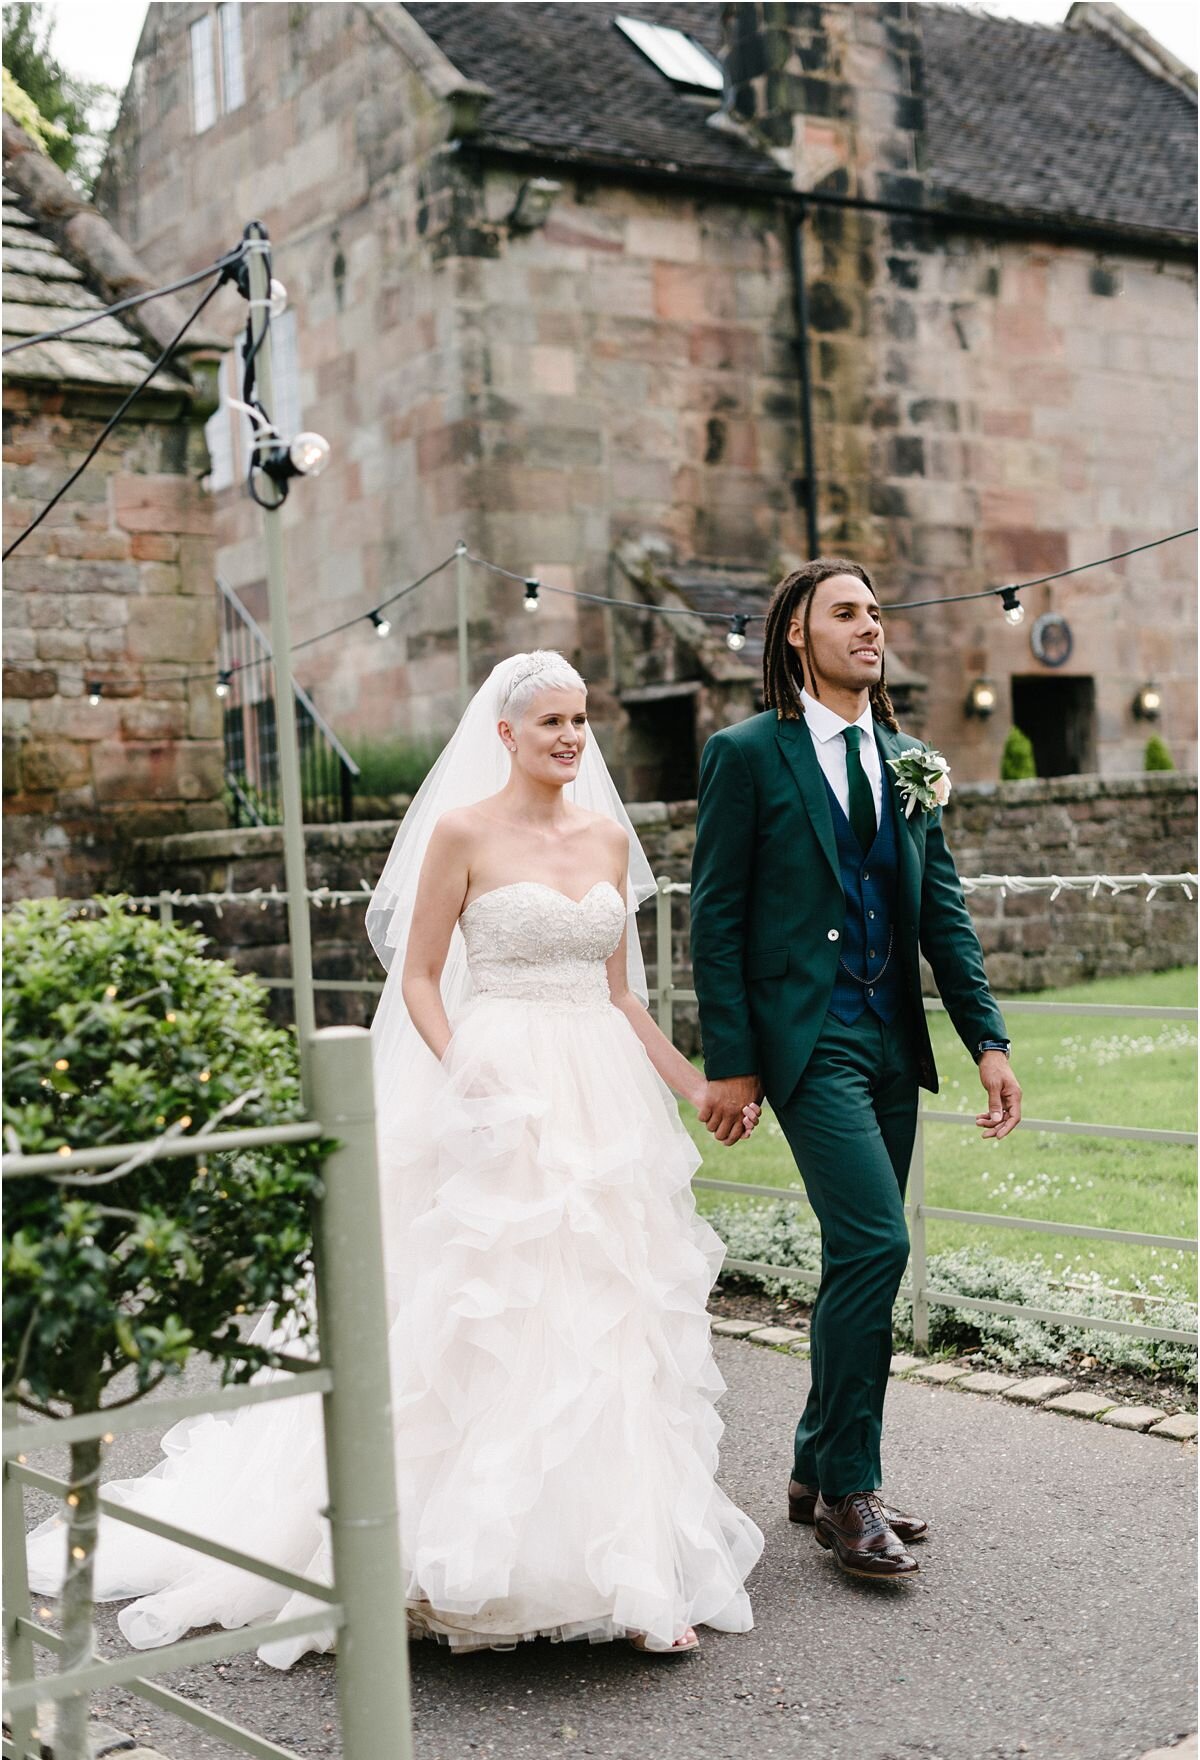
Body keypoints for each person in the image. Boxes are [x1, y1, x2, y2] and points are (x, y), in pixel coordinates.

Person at [27, 650, 763, 1660]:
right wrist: (470, 1076)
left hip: (602, 1097)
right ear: (503, 735)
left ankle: (626, 1569)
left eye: (581, 721)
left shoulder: (603, 840)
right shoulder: (462, 833)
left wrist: (696, 1085)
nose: (569, 738)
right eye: (549, 722)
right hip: (495, 1080)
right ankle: (456, 1561)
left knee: (608, 1316)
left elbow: (621, 995)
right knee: (487, 1309)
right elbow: (418, 980)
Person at [690, 560, 1021, 1584]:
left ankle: (810, 1467)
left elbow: (945, 917)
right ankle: (850, 1493)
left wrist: (988, 1041)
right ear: (797, 634)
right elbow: (717, 917)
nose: (869, 627)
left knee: (857, 1259)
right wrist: (735, 1064)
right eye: (846, 613)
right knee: (879, 1240)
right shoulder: (747, 755)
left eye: (876, 612)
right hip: (808, 1043)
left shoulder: (912, 761)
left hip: (890, 1042)